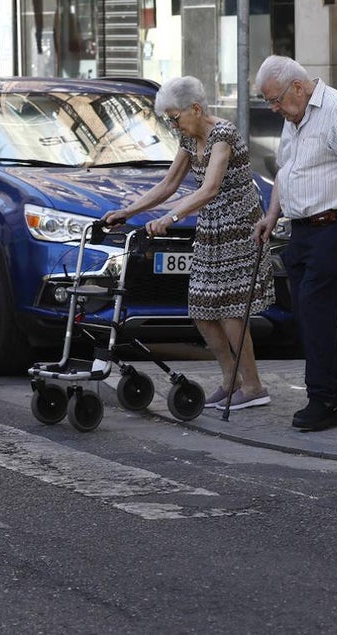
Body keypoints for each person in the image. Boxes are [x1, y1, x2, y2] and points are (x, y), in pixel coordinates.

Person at [103, 75, 273, 411]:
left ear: (195, 108)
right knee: (201, 308)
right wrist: (128, 211)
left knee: (231, 310)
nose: (172, 124)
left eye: (174, 117)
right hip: (211, 229)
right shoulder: (188, 137)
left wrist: (171, 217)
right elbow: (168, 184)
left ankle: (254, 386)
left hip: (239, 228)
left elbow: (210, 188)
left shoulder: (223, 134)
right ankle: (231, 380)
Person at [253, 55, 337, 431]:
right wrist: (271, 216)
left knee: (317, 317)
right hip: (302, 232)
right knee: (310, 318)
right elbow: (286, 172)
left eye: (275, 100)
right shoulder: (295, 116)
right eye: (269, 102)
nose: (274, 109)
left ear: (298, 87)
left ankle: (323, 400)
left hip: (333, 229)